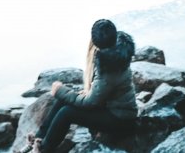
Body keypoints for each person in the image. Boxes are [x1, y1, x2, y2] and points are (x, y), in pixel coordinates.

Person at [26, 19, 137, 152]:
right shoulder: (117, 53)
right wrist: (64, 93)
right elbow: (98, 92)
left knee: (66, 113)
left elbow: (91, 102)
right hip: (110, 106)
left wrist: (60, 90)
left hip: (120, 119)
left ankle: (43, 149)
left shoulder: (109, 68)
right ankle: (38, 139)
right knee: (63, 100)